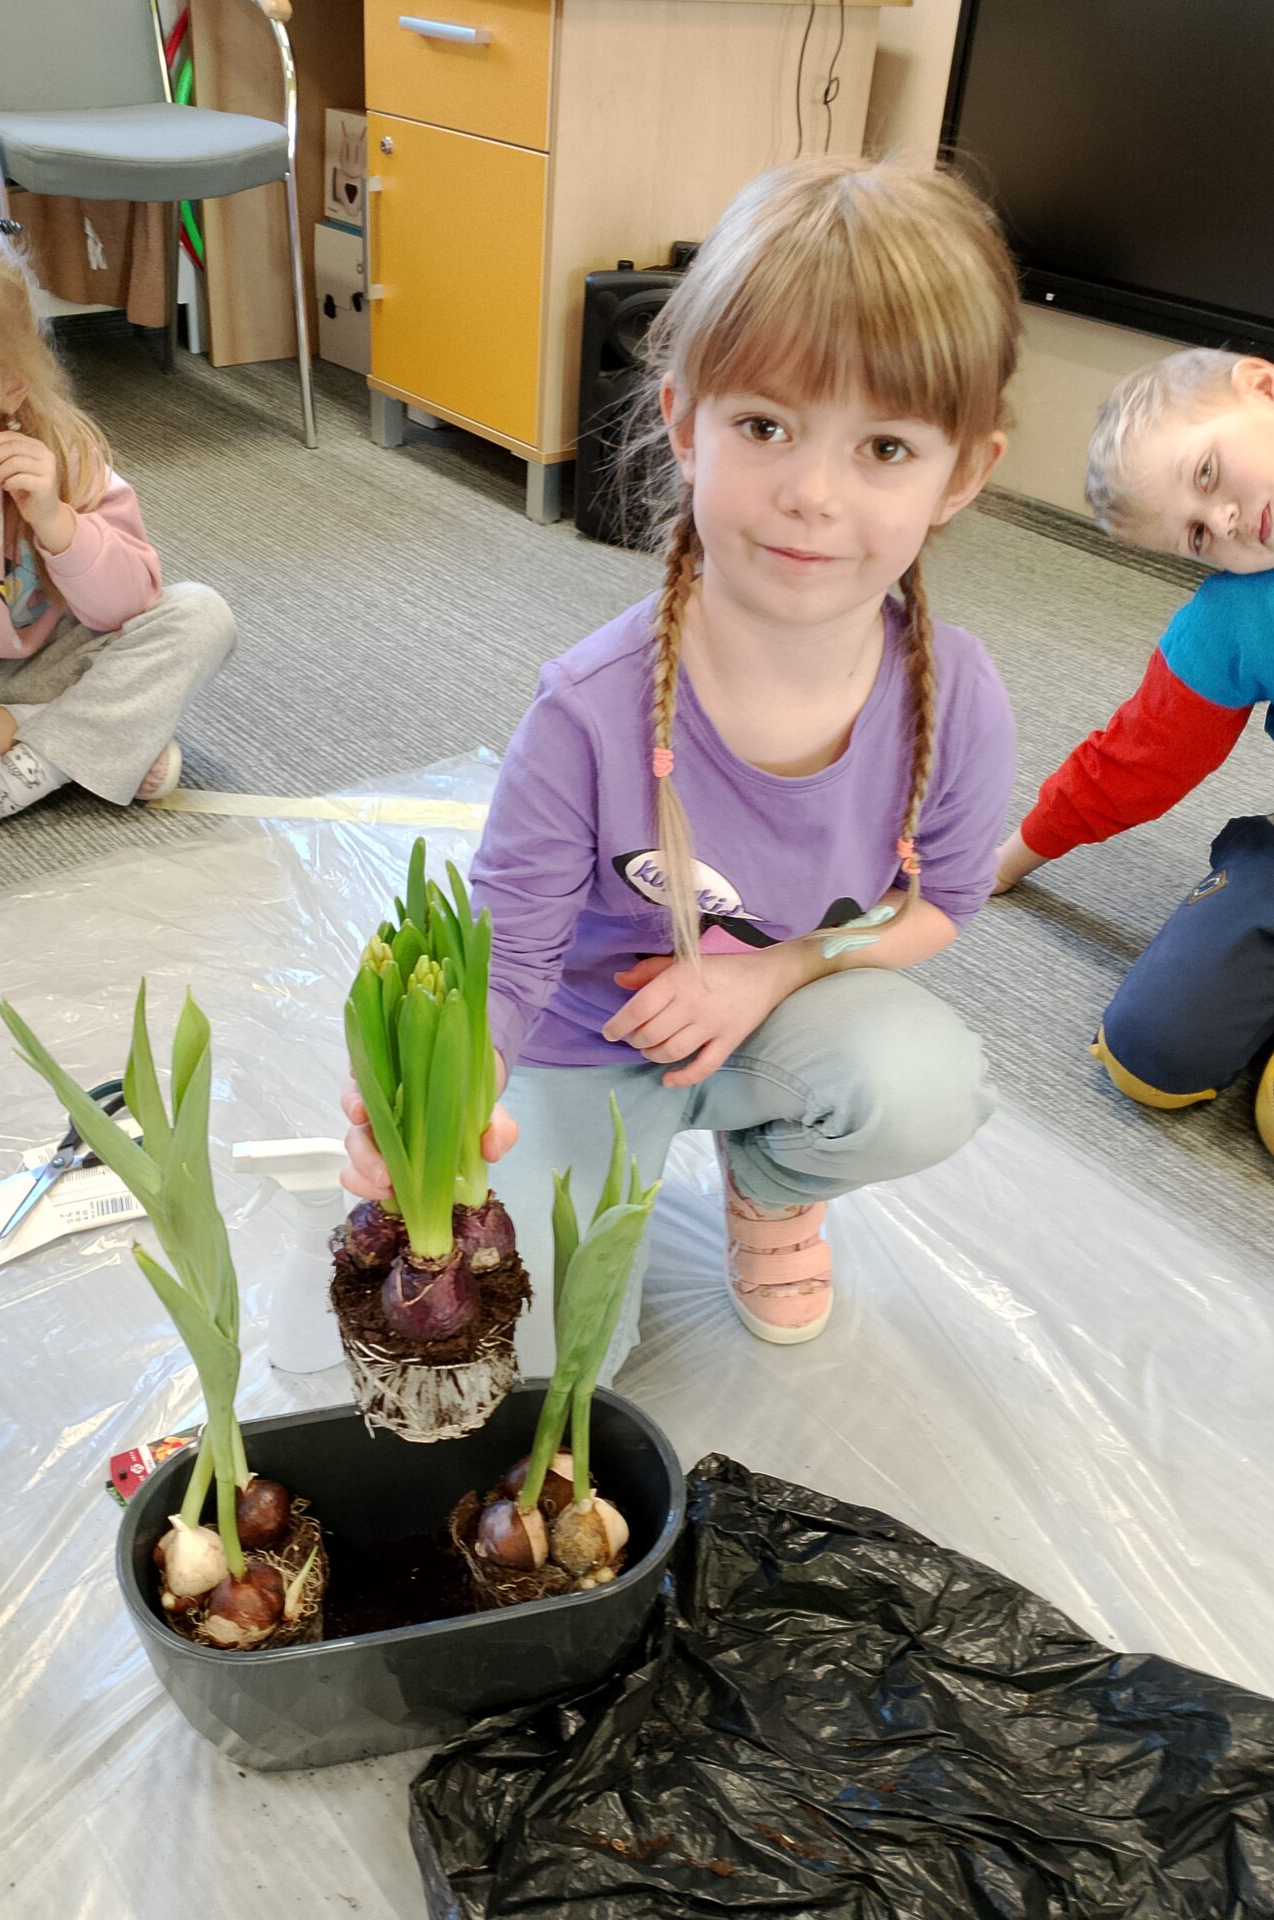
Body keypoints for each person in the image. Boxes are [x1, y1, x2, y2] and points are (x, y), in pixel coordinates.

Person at [345, 157, 1020, 1378]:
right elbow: (509, 950)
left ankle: (770, 1184)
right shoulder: (589, 708)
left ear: (962, 473)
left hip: (768, 1020)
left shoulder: (956, 696)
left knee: (919, 1082)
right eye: (765, 427)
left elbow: (940, 904)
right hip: (584, 1036)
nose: (812, 494)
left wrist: (772, 974)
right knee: (541, 1363)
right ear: (684, 421)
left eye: (884, 446)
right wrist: (437, 1113)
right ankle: (608, 1163)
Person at [994, 349, 1274, 1176]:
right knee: (1148, 1058)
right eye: (1199, 535)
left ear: (1267, 387)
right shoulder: (1240, 610)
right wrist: (1014, 856)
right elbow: (1141, 756)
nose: (1227, 522)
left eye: (1208, 472)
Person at [0, 203, 235, 855]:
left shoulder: (59, 452)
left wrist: (56, 522)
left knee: (202, 616)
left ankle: (0, 789)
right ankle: (84, 746)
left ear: (11, 386)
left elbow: (129, 607)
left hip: (51, 664)